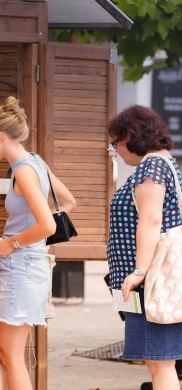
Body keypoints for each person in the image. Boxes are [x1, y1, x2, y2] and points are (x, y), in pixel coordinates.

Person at [0, 96, 76, 390]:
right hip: (19, 269)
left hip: (22, 269)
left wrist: (15, 241)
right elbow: (68, 202)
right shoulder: (36, 162)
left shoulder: (24, 169)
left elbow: (48, 225)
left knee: (11, 357)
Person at [107, 104, 182, 390]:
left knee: (160, 361)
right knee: (159, 361)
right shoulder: (164, 162)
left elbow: (151, 221)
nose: (116, 150)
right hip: (149, 280)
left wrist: (138, 271)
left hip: (149, 282)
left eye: (116, 143)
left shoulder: (152, 165)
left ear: (130, 136)